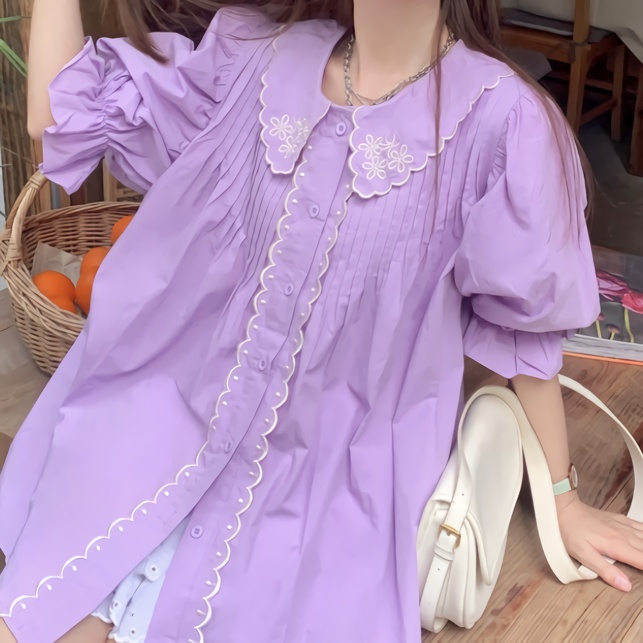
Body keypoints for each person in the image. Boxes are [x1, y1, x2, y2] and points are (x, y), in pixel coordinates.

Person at [0, 0, 640, 641]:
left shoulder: (504, 124)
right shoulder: (248, 58)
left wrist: (562, 500)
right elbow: (56, 117)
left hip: (326, 499)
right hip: (156, 436)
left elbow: (526, 332)